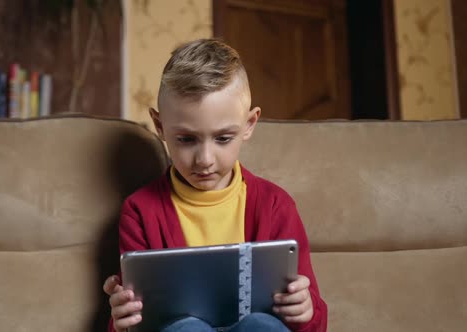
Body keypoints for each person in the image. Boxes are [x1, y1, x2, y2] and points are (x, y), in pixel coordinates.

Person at [103, 38, 327, 332]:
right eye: (186, 139)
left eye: (222, 138)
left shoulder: (275, 205)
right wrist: (122, 322)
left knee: (261, 325)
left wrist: (304, 309)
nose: (204, 160)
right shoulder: (140, 211)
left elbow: (313, 319)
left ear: (249, 124)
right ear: (160, 127)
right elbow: (136, 319)